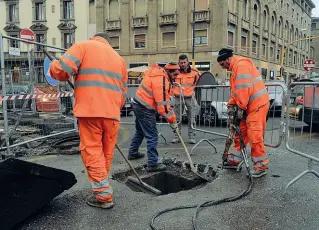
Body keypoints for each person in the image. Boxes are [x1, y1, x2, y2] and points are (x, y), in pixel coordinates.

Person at [49, 32, 128, 209]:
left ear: (94, 38)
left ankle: (104, 195)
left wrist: (53, 65)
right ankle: (103, 187)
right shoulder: (119, 60)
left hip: (90, 111)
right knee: (106, 153)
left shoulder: (83, 46)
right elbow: (123, 93)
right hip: (112, 114)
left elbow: (61, 71)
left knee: (92, 151)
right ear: (107, 41)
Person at [217, 48, 270, 178]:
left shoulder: (241, 66)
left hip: (257, 105)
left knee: (254, 135)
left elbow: (245, 90)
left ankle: (261, 166)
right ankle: (235, 159)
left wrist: (240, 107)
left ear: (228, 59)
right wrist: (231, 104)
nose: (223, 67)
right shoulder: (235, 69)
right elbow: (236, 91)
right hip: (248, 106)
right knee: (240, 133)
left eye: (223, 64)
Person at [127, 62, 180, 172]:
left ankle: (133, 152)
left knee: (140, 131)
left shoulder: (158, 74)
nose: (176, 77)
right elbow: (163, 107)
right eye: (174, 75)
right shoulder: (161, 80)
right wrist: (173, 121)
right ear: (169, 72)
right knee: (152, 135)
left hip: (138, 103)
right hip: (145, 107)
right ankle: (153, 163)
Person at [171, 54, 200, 144]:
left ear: (188, 62)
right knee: (177, 119)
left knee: (192, 118)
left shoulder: (195, 72)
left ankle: (192, 137)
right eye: (181, 63)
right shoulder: (175, 71)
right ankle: (177, 137)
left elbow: (200, 83)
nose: (183, 64)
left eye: (184, 62)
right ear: (178, 63)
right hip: (178, 97)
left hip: (190, 98)